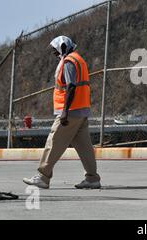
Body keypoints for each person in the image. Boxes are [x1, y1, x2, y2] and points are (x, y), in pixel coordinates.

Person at [23, 36, 101, 189]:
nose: (54, 54)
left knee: (54, 142)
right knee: (84, 147)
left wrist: (65, 111)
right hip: (81, 110)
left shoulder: (69, 62)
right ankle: (92, 179)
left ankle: (43, 177)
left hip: (70, 112)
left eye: (55, 50)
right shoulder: (79, 59)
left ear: (63, 47)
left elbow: (71, 86)